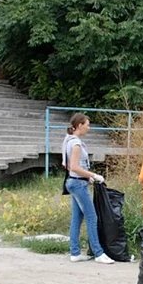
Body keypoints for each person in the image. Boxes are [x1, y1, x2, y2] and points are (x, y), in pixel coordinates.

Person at [61, 113, 114, 264]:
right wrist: (94, 175)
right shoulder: (76, 144)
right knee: (92, 217)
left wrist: (86, 177)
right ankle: (98, 253)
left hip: (74, 181)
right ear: (79, 125)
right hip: (78, 184)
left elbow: (67, 165)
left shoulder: (67, 140)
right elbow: (76, 167)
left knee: (77, 218)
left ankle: (75, 252)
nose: (88, 128)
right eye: (87, 125)